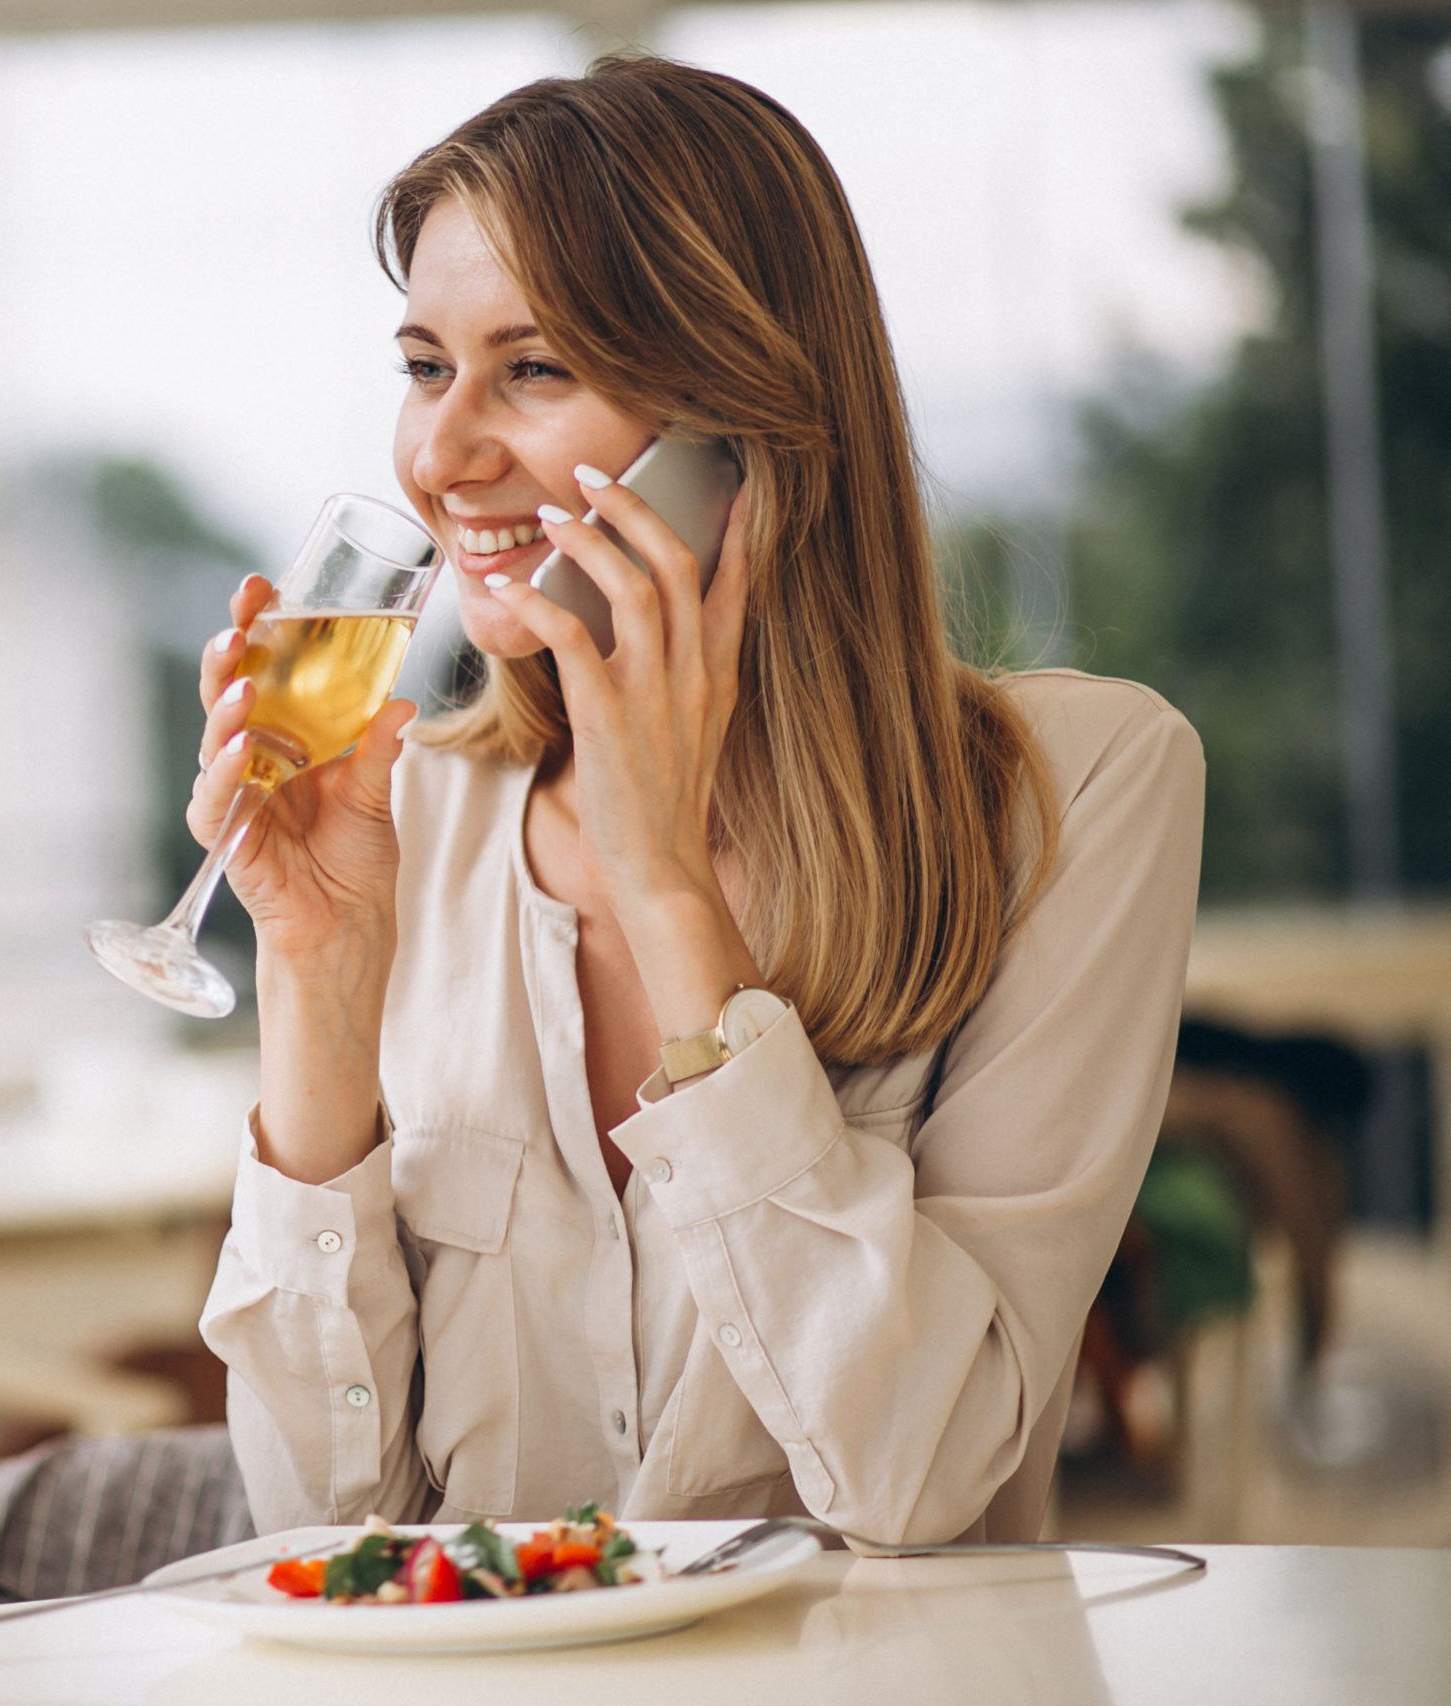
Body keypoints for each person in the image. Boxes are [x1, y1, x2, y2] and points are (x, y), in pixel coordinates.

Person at [192, 55, 1204, 1547]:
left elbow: (920, 1478)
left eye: (531, 370)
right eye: (424, 366)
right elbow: (322, 1530)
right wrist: (322, 981)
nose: (441, 455)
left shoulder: (1079, 793)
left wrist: (669, 894)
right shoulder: (416, 817)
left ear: (739, 427)